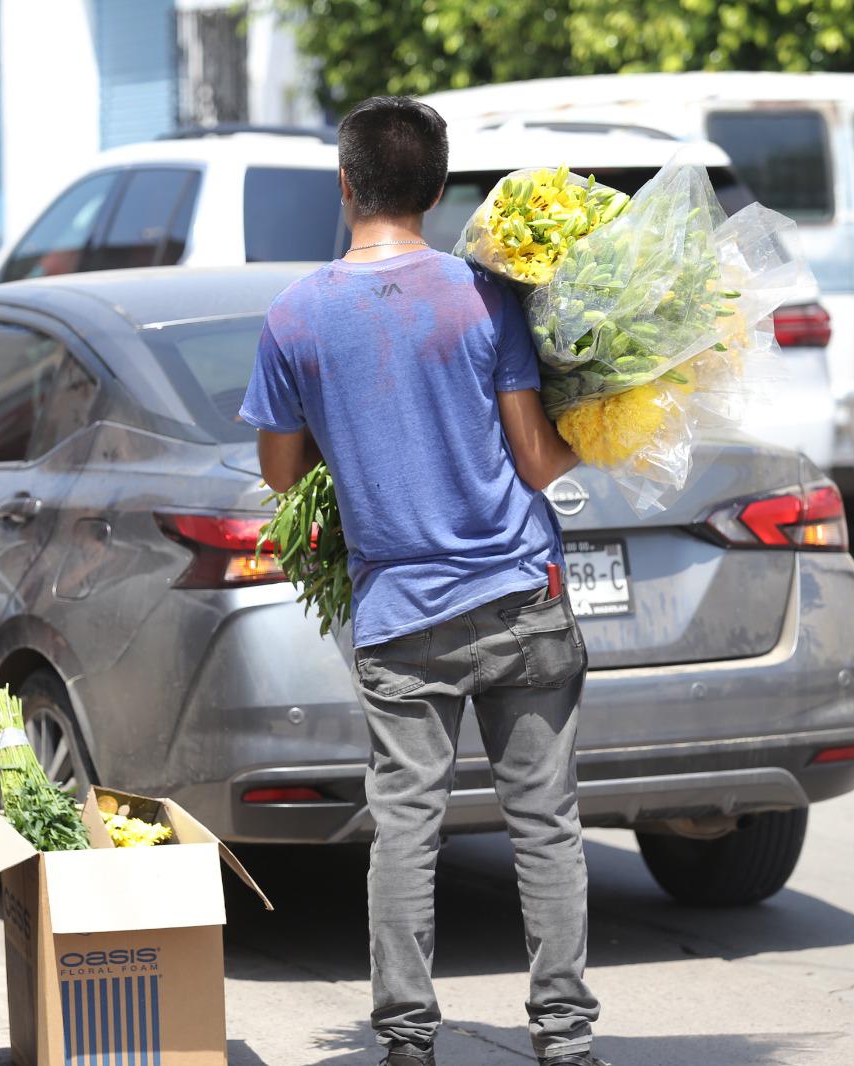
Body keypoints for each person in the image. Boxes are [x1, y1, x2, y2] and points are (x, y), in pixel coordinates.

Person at [240, 97, 606, 1066]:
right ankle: (565, 1041)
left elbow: (280, 473)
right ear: (440, 191)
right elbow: (533, 460)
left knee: (405, 826)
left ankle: (406, 1040)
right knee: (546, 823)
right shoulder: (484, 296)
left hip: (399, 617)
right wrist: (611, 420)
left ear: (345, 183)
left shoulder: (295, 315)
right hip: (521, 596)